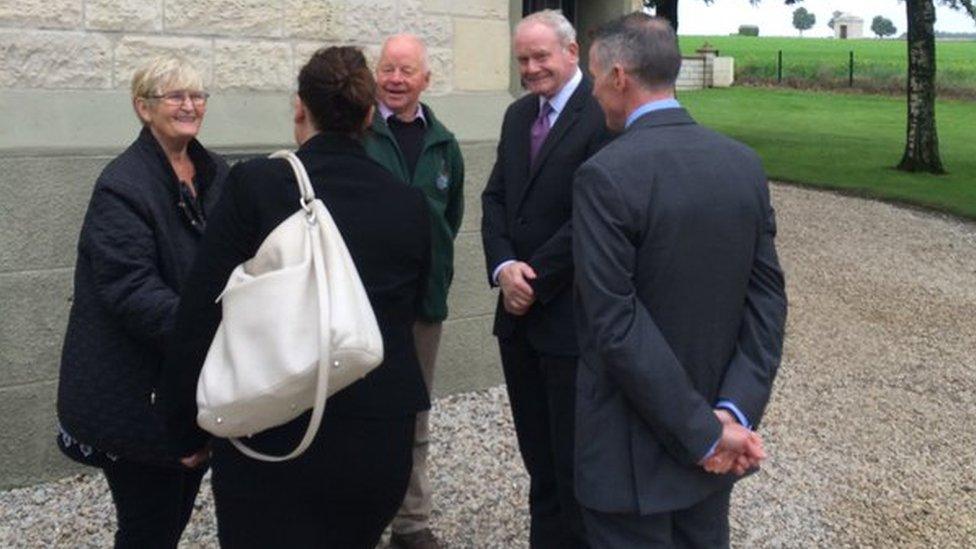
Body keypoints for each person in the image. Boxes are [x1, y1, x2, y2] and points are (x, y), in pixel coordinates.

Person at [155, 46, 432, 548]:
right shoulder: (408, 201)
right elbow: (408, 309)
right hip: (377, 435)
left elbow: (202, 312)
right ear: (370, 115)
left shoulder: (257, 185)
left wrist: (184, 427)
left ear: (300, 108)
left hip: (275, 429)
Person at [572, 14, 788, 548]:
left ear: (619, 76)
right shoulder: (742, 164)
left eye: (596, 77)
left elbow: (615, 323)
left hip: (633, 455)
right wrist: (730, 413)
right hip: (716, 439)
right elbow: (767, 304)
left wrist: (706, 432)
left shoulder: (605, 174)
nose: (594, 91)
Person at [56, 54, 227, 548]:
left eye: (197, 95)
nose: (189, 105)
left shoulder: (214, 173)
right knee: (149, 526)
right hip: (138, 393)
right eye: (175, 96)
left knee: (170, 516)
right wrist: (216, 329)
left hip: (188, 379)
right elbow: (131, 292)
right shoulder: (122, 186)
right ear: (143, 108)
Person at [480, 9, 611, 548]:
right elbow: (496, 199)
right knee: (538, 460)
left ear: (572, 52)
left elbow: (595, 216)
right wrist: (503, 267)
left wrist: (533, 278)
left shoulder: (602, 113)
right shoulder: (517, 117)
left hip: (567, 319)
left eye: (541, 57)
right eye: (523, 60)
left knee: (573, 463)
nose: (532, 69)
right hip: (517, 320)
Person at [362, 33, 464, 549]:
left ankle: (411, 522)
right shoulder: (358, 132)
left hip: (423, 307)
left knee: (414, 414)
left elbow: (452, 217)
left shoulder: (443, 145)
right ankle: (359, 520)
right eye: (387, 69)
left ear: (426, 78)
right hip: (363, 307)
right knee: (359, 412)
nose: (395, 80)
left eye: (407, 70)